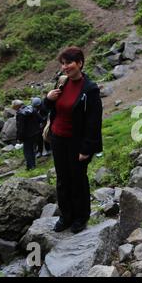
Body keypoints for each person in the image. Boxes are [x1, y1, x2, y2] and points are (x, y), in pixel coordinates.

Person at [43, 46, 103, 234]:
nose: (65, 67)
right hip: (58, 139)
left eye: (69, 62)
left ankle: (81, 217)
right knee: (62, 180)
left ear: (80, 63)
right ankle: (65, 216)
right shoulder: (62, 82)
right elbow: (49, 109)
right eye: (62, 63)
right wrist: (48, 98)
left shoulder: (90, 89)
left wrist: (87, 148)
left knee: (78, 180)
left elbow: (94, 121)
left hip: (76, 142)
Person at [13, 99, 42, 170]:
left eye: (14, 108)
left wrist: (19, 138)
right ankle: (33, 165)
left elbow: (20, 128)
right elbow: (40, 119)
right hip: (36, 133)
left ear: (17, 106)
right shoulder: (32, 109)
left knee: (27, 151)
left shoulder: (20, 114)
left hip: (27, 136)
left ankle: (30, 166)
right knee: (33, 149)